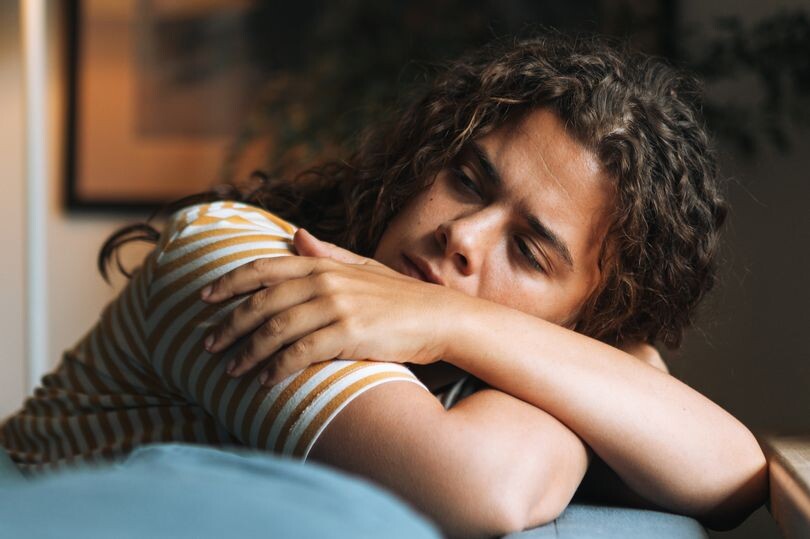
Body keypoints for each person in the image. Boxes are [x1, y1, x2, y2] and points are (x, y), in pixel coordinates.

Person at [0, 33, 766, 537]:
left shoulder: (465, 358)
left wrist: (449, 321)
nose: (463, 236)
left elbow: (734, 470)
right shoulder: (238, 256)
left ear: (582, 317)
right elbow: (478, 488)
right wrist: (592, 370)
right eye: (467, 180)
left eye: (529, 250)